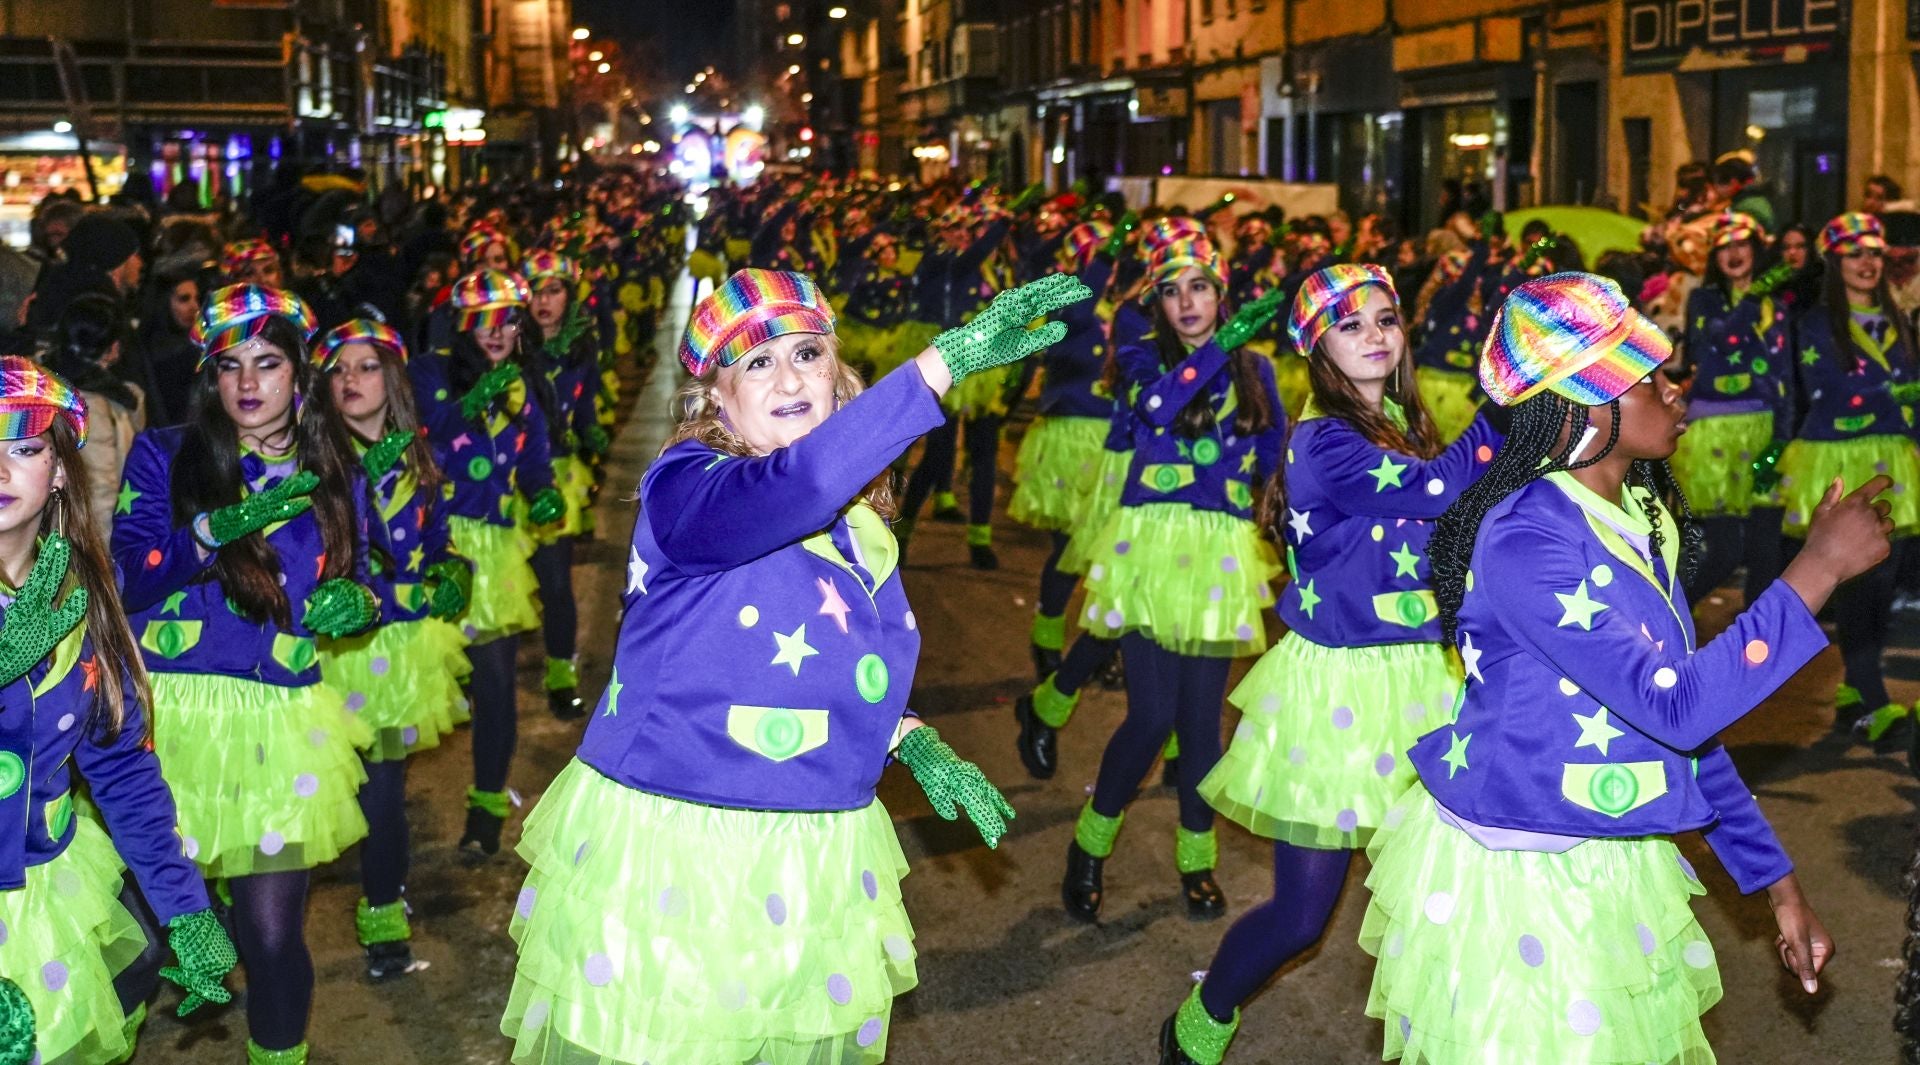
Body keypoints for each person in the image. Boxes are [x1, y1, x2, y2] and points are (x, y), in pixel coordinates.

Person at [497, 267, 1086, 1064]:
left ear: (836, 373)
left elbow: (856, 662)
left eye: (807, 353)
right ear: (716, 398)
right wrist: (940, 364)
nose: (789, 379)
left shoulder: (861, 525)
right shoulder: (686, 487)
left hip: (812, 837)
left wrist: (909, 737)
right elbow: (794, 486)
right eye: (758, 363)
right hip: (684, 835)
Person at [1360, 271, 1875, 1064]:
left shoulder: (1638, 513)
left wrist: (1779, 884)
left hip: (1614, 846)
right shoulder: (1526, 538)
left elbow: (1681, 729)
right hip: (1525, 872)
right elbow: (1679, 708)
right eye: (1648, 378)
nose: (1675, 392)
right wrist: (1817, 571)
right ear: (1583, 401)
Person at [1158, 265, 1501, 1062]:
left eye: (1386, 318)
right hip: (1341, 696)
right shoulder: (1324, 440)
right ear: (1317, 347)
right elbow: (1435, 490)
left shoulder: (1403, 420)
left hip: (1424, 682)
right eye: (1351, 324)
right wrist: (1511, 402)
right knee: (1302, 916)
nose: (1375, 334)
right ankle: (1198, 1024)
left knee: (1443, 894)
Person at [112, 284, 381, 1065]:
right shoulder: (163, 453)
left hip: (278, 725)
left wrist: (355, 604)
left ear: (300, 372)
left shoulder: (335, 468)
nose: (247, 383)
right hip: (172, 721)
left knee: (268, 933)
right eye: (229, 366)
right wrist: (208, 532)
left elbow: (357, 575)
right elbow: (126, 578)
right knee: (141, 936)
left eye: (267, 362)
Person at [0, 356, 236, 1064]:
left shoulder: (82, 592)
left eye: (24, 447)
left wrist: (185, 906)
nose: (0, 471)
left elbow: (123, 768)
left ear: (60, 469)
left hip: (43, 894)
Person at [1063, 236, 1287, 923]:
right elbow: (1158, 407)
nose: (1186, 302)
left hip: (1222, 552)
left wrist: (1304, 541)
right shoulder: (1141, 356)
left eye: (1199, 286)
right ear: (1157, 303)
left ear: (1222, 293)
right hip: (1151, 547)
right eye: (1171, 290)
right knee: (1152, 715)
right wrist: (1225, 345)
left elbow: (1275, 463)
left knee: (1200, 724)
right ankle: (1089, 845)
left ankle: (1197, 859)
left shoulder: (1258, 368)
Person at [311, 318, 473, 981]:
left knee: (383, 794)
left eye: (367, 366)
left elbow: (435, 541)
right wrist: (348, 489)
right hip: (324, 654)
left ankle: (383, 917)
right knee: (310, 791)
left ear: (393, 378)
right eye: (338, 368)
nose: (351, 378)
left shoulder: (417, 456)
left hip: (393, 656)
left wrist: (452, 565)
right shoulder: (310, 461)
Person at [409, 269, 565, 857]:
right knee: (414, 692)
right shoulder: (428, 372)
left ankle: (487, 810)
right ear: (462, 325)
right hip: (430, 545)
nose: (498, 332)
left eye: (508, 321)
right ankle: (384, 835)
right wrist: (477, 398)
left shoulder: (524, 384)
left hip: (494, 553)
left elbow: (535, 460)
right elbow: (425, 435)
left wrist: (543, 492)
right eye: (484, 321)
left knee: (496, 686)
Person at [1777, 213, 1920, 745]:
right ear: (1834, 263)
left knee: (1884, 585)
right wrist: (1893, 394)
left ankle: (1854, 690)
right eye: (1855, 253)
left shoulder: (1897, 316)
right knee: (1864, 584)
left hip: (1897, 460)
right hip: (1841, 459)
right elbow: (1831, 390)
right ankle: (1872, 699)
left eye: (1875, 253)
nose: (1867, 263)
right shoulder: (1816, 324)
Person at [1008, 220, 1117, 688]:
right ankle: (1047, 634)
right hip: (1069, 438)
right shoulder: (1063, 301)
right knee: (1070, 548)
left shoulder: (1125, 308)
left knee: (1114, 550)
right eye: (1099, 252)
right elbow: (1080, 310)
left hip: (1115, 441)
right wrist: (1105, 259)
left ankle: (1105, 646)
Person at [1673, 211, 1792, 606]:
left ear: (1757, 250)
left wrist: (1782, 438)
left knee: (1765, 548)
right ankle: (1673, 613)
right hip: (1714, 435)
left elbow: (1784, 375)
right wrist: (1753, 297)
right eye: (1724, 247)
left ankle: (1757, 634)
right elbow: (1720, 341)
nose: (1734, 253)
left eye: (1742, 244)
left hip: (1764, 428)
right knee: (1725, 551)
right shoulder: (1704, 300)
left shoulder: (1777, 306)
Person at [521, 250, 603, 720]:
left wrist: (591, 433)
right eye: (534, 291)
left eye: (553, 290)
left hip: (557, 474)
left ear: (569, 296)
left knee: (555, 582)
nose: (543, 300)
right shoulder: (509, 343)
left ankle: (559, 674)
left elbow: (585, 405)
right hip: (507, 478)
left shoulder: (582, 346)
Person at [47, 294, 145, 529]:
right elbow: (101, 492)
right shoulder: (96, 406)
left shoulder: (40, 385)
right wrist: (104, 548)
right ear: (113, 348)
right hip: (78, 536)